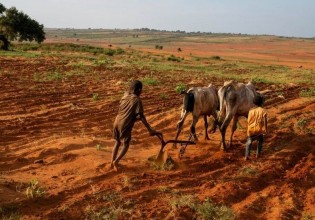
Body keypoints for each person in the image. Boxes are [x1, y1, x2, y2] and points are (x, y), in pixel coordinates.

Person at [110, 80, 161, 171]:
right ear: (139, 90)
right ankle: (116, 162)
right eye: (141, 90)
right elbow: (141, 116)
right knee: (126, 144)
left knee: (117, 142)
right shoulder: (137, 100)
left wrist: (133, 118)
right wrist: (150, 129)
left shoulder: (125, 96)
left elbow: (126, 112)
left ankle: (112, 161)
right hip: (124, 124)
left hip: (116, 121)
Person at [245, 94, 268, 160]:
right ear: (261, 102)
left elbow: (248, 121)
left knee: (249, 142)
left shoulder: (250, 111)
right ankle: (258, 154)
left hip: (250, 129)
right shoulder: (263, 110)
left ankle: (247, 156)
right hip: (259, 129)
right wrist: (265, 130)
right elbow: (265, 121)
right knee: (260, 141)